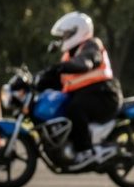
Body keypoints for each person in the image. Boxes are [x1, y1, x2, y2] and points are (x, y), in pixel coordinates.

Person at [33, 11, 122, 169]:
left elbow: (86, 61)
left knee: (74, 108)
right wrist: (36, 80)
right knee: (64, 105)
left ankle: (85, 150)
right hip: (90, 95)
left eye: (67, 34)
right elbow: (59, 80)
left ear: (78, 31)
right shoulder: (69, 55)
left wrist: (60, 67)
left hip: (105, 95)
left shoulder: (92, 45)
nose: (63, 39)